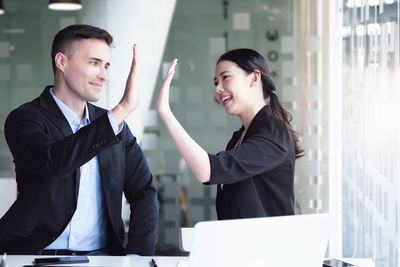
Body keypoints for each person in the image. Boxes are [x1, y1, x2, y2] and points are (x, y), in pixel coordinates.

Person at [0, 24, 158, 256]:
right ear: (61, 62)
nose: (103, 75)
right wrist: (121, 110)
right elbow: (53, 162)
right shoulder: (25, 119)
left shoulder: (115, 126)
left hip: (102, 257)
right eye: (94, 63)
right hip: (34, 255)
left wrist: (137, 257)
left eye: (106, 65)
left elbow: (144, 191)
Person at [156, 48, 304, 220]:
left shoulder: (273, 131)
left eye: (225, 77)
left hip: (267, 245)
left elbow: (208, 170)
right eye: (215, 82)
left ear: (254, 78)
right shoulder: (239, 138)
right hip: (240, 244)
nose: (218, 89)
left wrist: (165, 112)